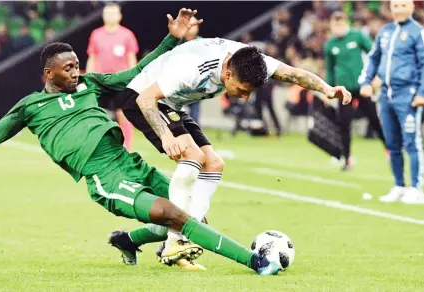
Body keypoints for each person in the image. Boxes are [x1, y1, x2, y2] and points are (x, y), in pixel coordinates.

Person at [0, 9, 284, 276]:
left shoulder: (91, 84)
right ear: (48, 73)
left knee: (193, 213)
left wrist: (170, 39)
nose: (76, 72)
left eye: (77, 65)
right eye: (67, 68)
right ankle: (255, 262)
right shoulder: (29, 107)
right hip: (104, 178)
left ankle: (129, 240)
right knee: (176, 215)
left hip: (127, 161)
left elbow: (133, 74)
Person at [110, 37, 352, 268]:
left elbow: (292, 73)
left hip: (172, 104)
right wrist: (166, 136)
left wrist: (326, 88)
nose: (245, 97)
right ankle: (175, 242)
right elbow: (145, 99)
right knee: (192, 156)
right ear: (227, 74)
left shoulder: (251, 62)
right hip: (142, 99)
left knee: (214, 164)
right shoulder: (191, 68)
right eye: (243, 89)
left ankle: (133, 240)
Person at [359, 0, 424, 204]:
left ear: (412, 8)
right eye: (396, 6)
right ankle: (399, 186)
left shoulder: (418, 32)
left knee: (412, 142)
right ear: (391, 9)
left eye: (403, 5)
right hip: (386, 95)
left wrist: (421, 93)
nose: (399, 9)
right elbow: (374, 58)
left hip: (408, 94)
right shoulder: (385, 31)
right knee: (392, 143)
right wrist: (367, 81)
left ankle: (415, 187)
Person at [324, 11, 386, 171]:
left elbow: (374, 53)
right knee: (344, 124)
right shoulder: (330, 45)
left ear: (346, 23)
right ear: (331, 25)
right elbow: (330, 70)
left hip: (361, 87)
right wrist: (328, 89)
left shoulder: (357, 36)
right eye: (335, 24)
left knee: (374, 120)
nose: (338, 27)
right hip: (343, 91)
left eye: (341, 23)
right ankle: (347, 159)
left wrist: (375, 75)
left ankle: (390, 151)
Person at [85, 2, 138, 152]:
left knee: (124, 114)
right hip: (101, 82)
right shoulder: (96, 34)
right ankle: (102, 145)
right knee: (99, 113)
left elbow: (131, 58)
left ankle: (127, 147)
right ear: (103, 16)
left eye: (113, 13)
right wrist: (88, 78)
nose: (110, 16)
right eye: (107, 13)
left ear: (120, 16)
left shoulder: (127, 35)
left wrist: (133, 79)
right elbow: (92, 57)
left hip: (120, 82)